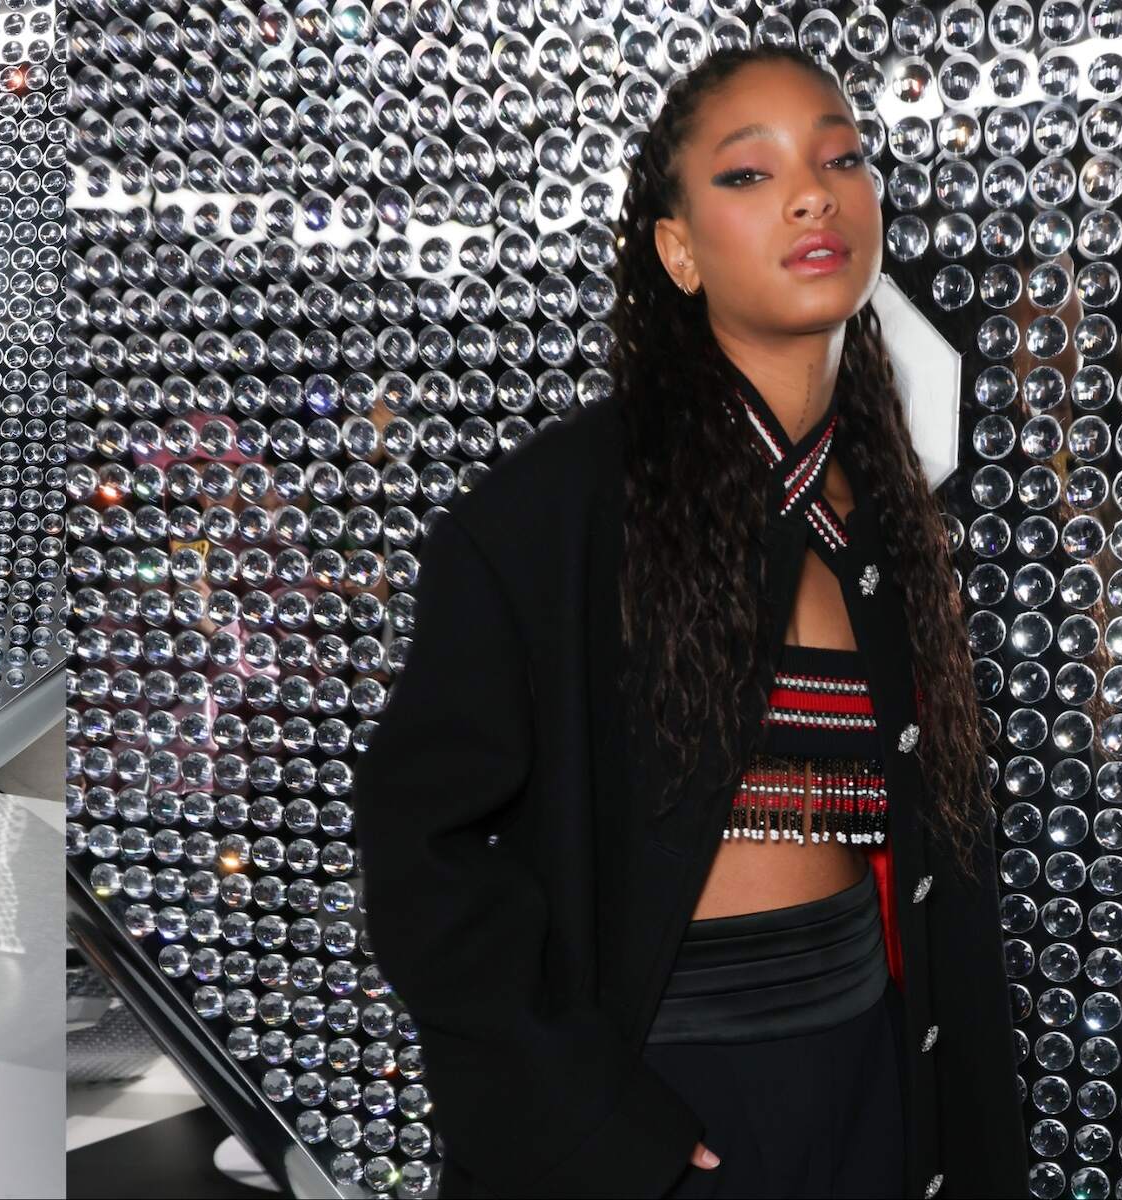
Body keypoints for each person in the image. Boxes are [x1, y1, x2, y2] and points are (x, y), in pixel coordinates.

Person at [351, 44, 1026, 1199]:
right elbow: (420, 850)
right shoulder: (554, 512)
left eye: (839, 155)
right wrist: (589, 1115)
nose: (812, 192)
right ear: (676, 249)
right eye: (747, 175)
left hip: (865, 1074)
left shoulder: (886, 510)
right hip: (676, 1103)